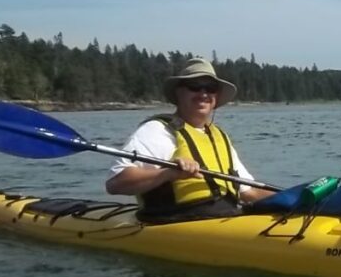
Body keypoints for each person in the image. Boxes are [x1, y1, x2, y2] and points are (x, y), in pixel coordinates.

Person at [106, 57, 274, 222]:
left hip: (225, 218)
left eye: (210, 88)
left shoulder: (219, 137)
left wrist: (295, 198)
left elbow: (249, 192)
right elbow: (116, 183)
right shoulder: (157, 130)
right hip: (173, 222)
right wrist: (168, 173)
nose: (203, 93)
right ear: (179, 92)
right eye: (194, 86)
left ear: (217, 96)